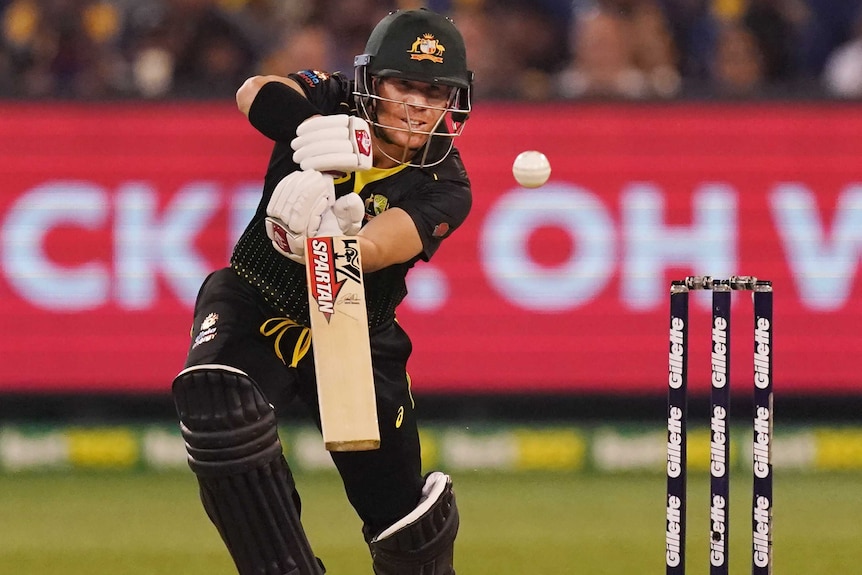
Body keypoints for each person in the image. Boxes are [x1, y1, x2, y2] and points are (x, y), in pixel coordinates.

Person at [171, 7, 473, 575]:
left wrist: (340, 233)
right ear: (371, 83)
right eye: (404, 85)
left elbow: (388, 243)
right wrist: (304, 128)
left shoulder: (447, 183)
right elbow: (253, 89)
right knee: (219, 405)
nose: (417, 105)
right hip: (258, 298)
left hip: (358, 331)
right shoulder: (327, 97)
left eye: (435, 93)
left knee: (407, 525)